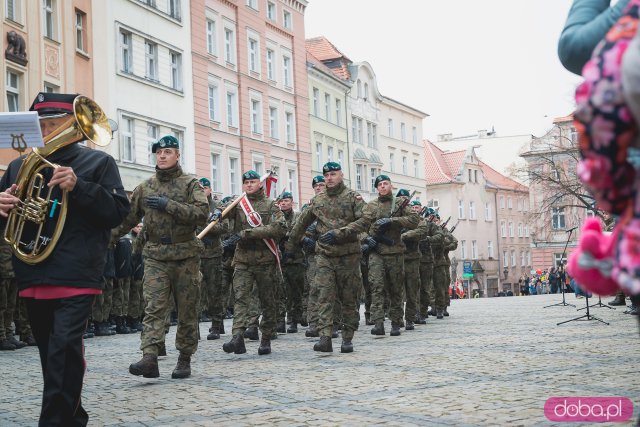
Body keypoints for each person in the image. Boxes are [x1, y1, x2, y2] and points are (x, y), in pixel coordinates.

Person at [0, 92, 130, 426]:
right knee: (52, 354)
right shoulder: (18, 165)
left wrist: (80, 186)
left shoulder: (97, 163)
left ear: (73, 123)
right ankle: (74, 417)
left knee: (63, 350)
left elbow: (116, 213)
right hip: (32, 270)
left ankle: (54, 422)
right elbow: (10, 221)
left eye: (53, 123)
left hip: (76, 273)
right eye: (39, 124)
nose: (44, 130)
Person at [114, 134, 209, 379]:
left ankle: (184, 357)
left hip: (185, 255)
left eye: (168, 152)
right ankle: (150, 357)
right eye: (159, 153)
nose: (162, 156)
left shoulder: (190, 184)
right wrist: (105, 238)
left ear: (177, 155)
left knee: (187, 309)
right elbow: (128, 219)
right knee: (154, 307)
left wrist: (169, 205)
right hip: (155, 255)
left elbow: (201, 214)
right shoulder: (145, 188)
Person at [285, 162, 375, 353]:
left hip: (348, 255)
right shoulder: (318, 200)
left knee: (349, 297)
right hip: (325, 255)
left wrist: (341, 232)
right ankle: (325, 337)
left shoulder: (352, 197)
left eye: (333, 174)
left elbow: (367, 218)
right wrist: (291, 246)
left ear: (341, 175)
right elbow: (301, 224)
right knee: (324, 295)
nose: (329, 178)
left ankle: (347, 338)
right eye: (326, 176)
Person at [221, 170, 287, 356]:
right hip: (242, 260)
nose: (249, 185)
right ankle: (237, 337)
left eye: (253, 181)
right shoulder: (239, 204)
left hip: (265, 260)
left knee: (267, 300)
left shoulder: (270, 205)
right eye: (246, 182)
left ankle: (266, 337)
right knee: (240, 297)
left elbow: (280, 227)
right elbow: (222, 213)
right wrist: (217, 212)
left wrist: (250, 233)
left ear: (260, 183)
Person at [366, 181, 418, 336]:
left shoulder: (400, 203)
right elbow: (360, 226)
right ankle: (378, 323)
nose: (382, 186)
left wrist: (392, 221)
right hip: (376, 252)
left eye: (385, 183)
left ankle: (396, 322)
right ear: (376, 188)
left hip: (394, 252)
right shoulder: (370, 206)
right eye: (379, 184)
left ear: (390, 186)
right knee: (376, 286)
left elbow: (414, 221)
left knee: (395, 288)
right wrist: (366, 239)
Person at [197, 178, 228, 340]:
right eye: (200, 188)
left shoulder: (217, 207)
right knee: (194, 292)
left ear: (210, 190)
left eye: (205, 188)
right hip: (195, 255)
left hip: (213, 254)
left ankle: (217, 324)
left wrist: (210, 229)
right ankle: (193, 328)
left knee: (214, 291)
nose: (203, 191)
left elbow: (225, 226)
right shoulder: (192, 205)